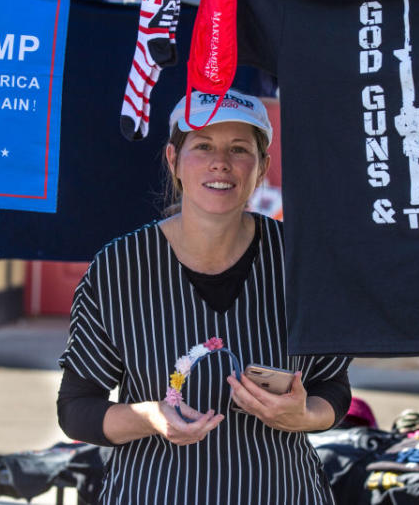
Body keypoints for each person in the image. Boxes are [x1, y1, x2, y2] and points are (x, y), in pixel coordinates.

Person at [57, 89, 351, 504]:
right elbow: (76, 409)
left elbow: (332, 387)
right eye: (203, 145)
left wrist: (303, 416)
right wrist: (151, 416)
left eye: (239, 149)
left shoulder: (301, 262)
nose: (221, 162)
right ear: (173, 160)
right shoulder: (120, 268)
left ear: (262, 166)